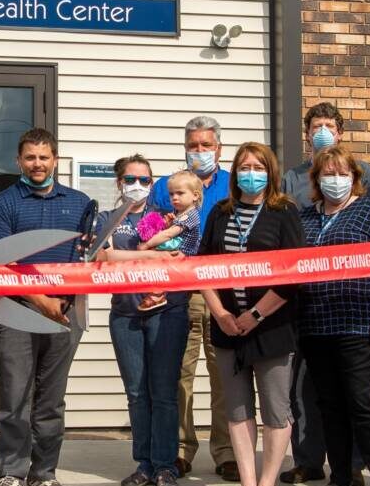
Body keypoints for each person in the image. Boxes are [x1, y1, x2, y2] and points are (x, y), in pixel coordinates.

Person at [0, 127, 99, 486]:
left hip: (65, 314)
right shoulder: (3, 203)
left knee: (51, 402)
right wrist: (40, 299)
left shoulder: (80, 203)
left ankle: (44, 473)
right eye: (30, 157)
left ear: (55, 160)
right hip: (15, 310)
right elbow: (1, 262)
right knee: (16, 398)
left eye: (43, 157)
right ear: (19, 160)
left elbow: (89, 257)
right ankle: (12, 472)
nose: (37, 163)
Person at [280, 102, 370, 485]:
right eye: (315, 125)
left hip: (352, 301)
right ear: (307, 133)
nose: (322, 131)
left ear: (340, 132)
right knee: (303, 389)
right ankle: (307, 461)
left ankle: (352, 464)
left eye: (328, 125)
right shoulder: (291, 177)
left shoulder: (364, 172)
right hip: (306, 304)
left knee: (353, 391)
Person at [199, 143, 304, 486]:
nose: (251, 174)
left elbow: (294, 274)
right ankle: (247, 480)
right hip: (228, 330)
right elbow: (202, 268)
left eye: (258, 167)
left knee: (276, 412)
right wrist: (220, 313)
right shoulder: (220, 211)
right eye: (244, 167)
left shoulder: (284, 212)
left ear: (270, 173)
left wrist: (255, 315)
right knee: (238, 410)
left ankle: (267, 480)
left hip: (271, 328)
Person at [296, 145, 370, 486]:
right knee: (330, 407)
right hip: (315, 327)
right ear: (316, 179)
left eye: (343, 174)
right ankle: (340, 476)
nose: (336, 180)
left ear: (354, 179)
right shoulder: (304, 218)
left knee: (362, 404)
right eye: (328, 173)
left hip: (358, 325)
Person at [93, 154, 190, 486]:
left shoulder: (165, 217)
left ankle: (165, 464)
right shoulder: (106, 218)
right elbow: (104, 255)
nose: (137, 186)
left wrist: (148, 254)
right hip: (125, 315)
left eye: (145, 180)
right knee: (136, 393)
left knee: (163, 391)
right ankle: (144, 464)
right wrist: (150, 253)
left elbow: (178, 255)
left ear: (152, 184)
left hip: (168, 313)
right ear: (119, 182)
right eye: (130, 179)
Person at [148, 115, 235, 481]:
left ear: (219, 148)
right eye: (193, 146)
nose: (199, 152)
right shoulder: (167, 186)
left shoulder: (235, 184)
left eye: (206, 146)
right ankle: (181, 450)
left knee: (224, 374)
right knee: (179, 374)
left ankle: (227, 451)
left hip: (221, 291)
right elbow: (148, 232)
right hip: (178, 290)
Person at [135, 173, 203, 310]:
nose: (175, 198)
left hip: (184, 253)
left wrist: (147, 244)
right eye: (172, 194)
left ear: (195, 195)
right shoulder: (179, 212)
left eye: (180, 193)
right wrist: (167, 224)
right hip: (176, 247)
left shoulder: (191, 214)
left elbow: (169, 234)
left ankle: (158, 293)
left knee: (155, 256)